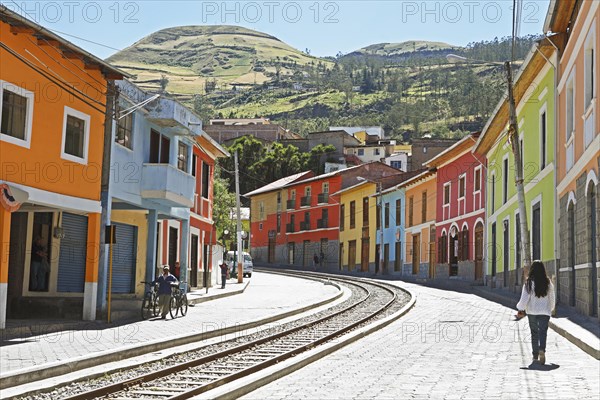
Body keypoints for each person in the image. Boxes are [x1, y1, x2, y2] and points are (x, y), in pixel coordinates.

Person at [516, 260, 556, 365]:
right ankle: (542, 349)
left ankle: (535, 355)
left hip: (532, 312)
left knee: (534, 333)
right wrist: (551, 308)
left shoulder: (528, 283)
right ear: (543, 270)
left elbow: (524, 299)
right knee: (543, 331)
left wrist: (520, 308)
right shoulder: (548, 282)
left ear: (532, 270)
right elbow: (552, 297)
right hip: (544, 311)